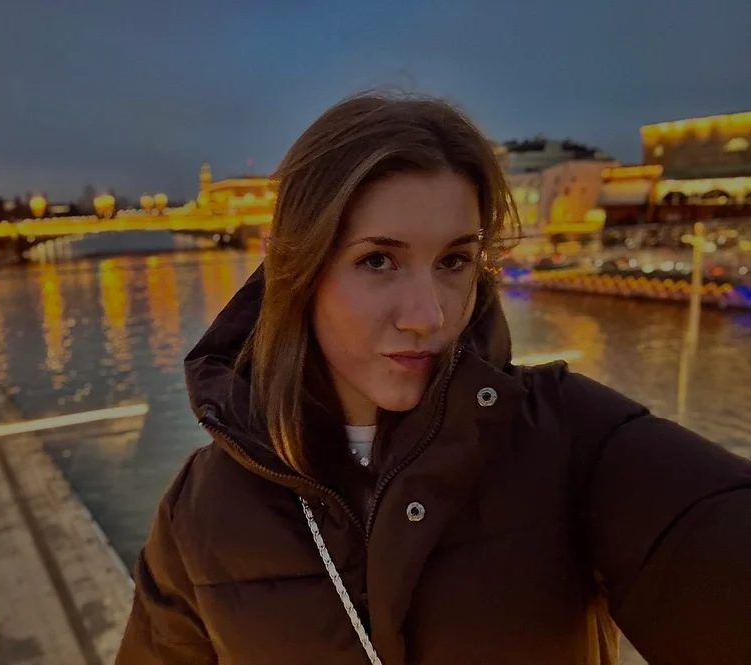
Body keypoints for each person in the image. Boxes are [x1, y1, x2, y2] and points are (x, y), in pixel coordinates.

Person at [115, 93, 751, 665]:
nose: (429, 316)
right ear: (297, 270)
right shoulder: (200, 512)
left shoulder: (571, 439)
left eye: (454, 260)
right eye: (378, 260)